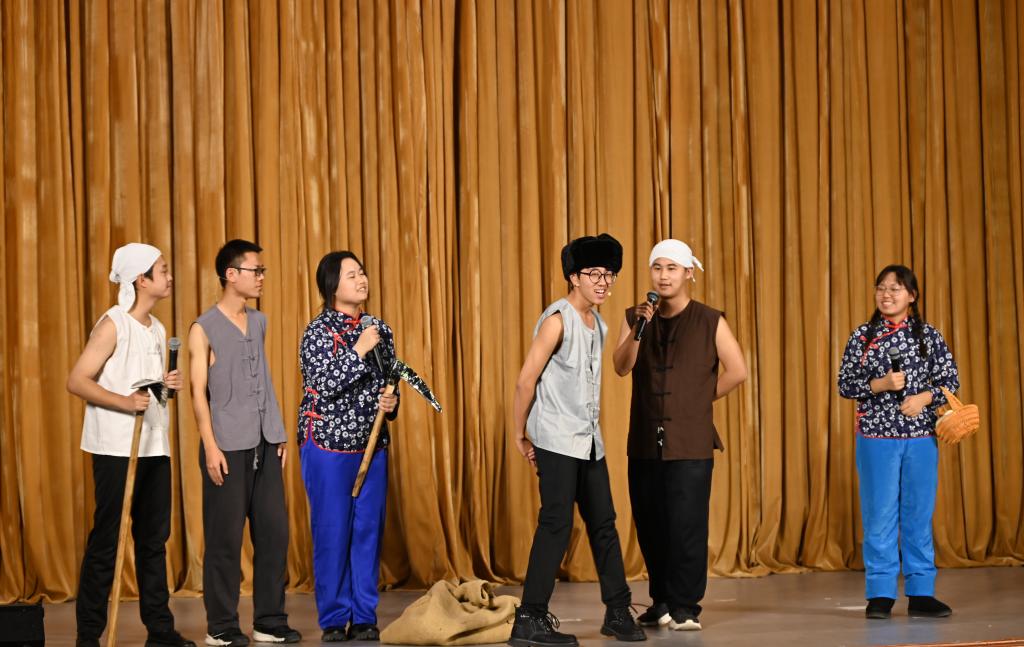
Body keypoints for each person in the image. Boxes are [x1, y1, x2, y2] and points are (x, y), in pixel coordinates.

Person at [509, 234, 646, 647]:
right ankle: (529, 619)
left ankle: (618, 612)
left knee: (604, 523)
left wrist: (637, 331)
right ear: (574, 276)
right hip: (555, 437)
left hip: (588, 441)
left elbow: (621, 367)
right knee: (556, 523)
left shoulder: (598, 324)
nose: (603, 282)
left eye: (609, 274)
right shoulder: (558, 319)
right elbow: (526, 380)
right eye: (594, 274)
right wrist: (519, 433)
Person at [612, 239, 746, 632]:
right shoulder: (635, 316)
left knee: (687, 525)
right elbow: (621, 366)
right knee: (650, 524)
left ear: (688, 273)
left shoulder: (709, 320)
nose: (663, 275)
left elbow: (738, 370)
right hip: (644, 440)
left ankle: (686, 605)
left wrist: (699, 399)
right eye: (657, 267)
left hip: (690, 441)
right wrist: (638, 330)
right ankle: (661, 601)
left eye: (672, 268)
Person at [66, 243, 195, 647]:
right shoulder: (114, 324)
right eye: (163, 270)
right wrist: (124, 402)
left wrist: (165, 386)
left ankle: (160, 630)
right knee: (108, 540)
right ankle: (88, 635)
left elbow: (148, 391)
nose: (169, 276)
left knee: (153, 540)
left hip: (153, 445)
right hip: (116, 447)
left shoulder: (156, 328)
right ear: (142, 279)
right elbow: (77, 380)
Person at [188, 239, 301, 646]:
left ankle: (269, 621)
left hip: (266, 442)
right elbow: (198, 393)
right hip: (226, 446)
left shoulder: (259, 321)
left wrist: (279, 431)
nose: (262, 277)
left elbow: (264, 380)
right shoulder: (203, 328)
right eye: (256, 271)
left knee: (273, 534)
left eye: (262, 271)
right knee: (225, 539)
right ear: (231, 275)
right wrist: (210, 446)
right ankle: (221, 625)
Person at [838, 264, 958, 620]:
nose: (886, 294)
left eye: (895, 288)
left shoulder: (929, 336)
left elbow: (951, 381)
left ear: (912, 296)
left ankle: (921, 593)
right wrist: (881, 385)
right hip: (876, 439)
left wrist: (925, 398)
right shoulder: (862, 337)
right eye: (881, 288)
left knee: (918, 514)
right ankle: (880, 594)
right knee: (879, 516)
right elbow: (845, 384)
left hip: (921, 438)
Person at [297, 251, 399, 642]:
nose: (361, 279)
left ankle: (364, 616)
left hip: (371, 445)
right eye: (351, 274)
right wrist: (358, 349)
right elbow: (322, 384)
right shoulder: (318, 331)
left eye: (362, 272)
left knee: (367, 530)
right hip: (328, 444)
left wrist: (391, 403)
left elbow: (390, 380)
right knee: (333, 530)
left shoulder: (379, 328)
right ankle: (333, 618)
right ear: (331, 285)